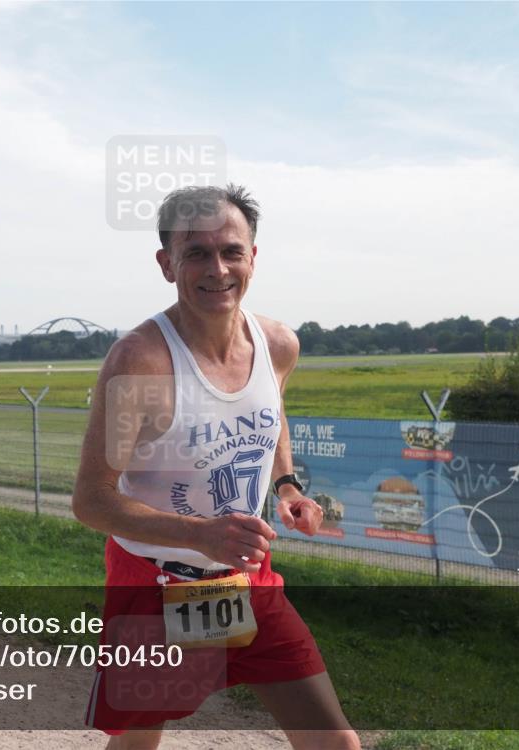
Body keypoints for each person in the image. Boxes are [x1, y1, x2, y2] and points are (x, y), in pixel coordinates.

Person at [73, 186, 360, 749]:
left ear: (254, 256)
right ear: (166, 264)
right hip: (154, 585)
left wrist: (287, 484)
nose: (218, 269)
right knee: (138, 740)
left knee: (336, 742)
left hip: (247, 578)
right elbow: (91, 500)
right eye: (196, 254)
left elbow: (269, 410)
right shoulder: (140, 362)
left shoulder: (278, 344)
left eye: (231, 251)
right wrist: (201, 534)